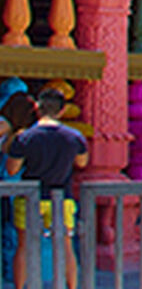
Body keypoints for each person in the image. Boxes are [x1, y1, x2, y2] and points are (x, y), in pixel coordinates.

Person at [7, 88, 86, 289]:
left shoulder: (25, 137)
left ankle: (20, 287)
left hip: (30, 197)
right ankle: (71, 286)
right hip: (62, 197)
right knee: (66, 246)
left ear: (37, 107)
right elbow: (82, 162)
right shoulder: (74, 137)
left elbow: (11, 168)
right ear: (62, 110)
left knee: (23, 246)